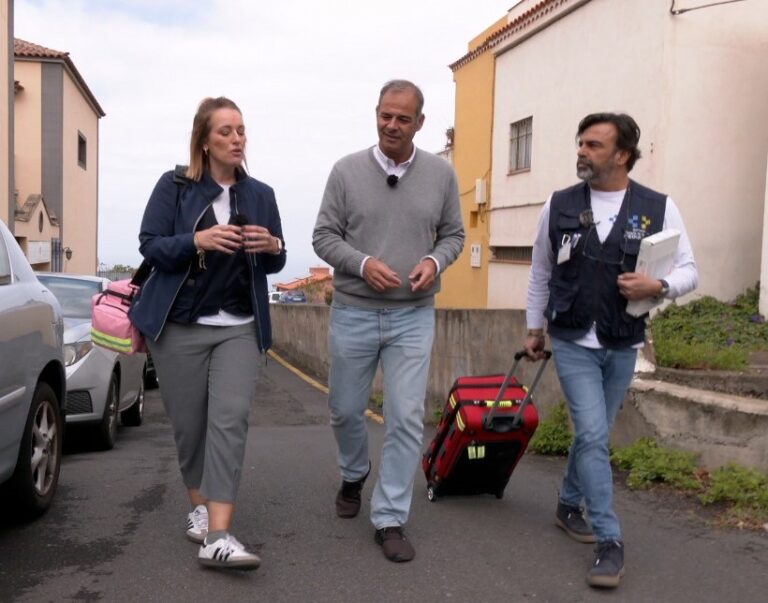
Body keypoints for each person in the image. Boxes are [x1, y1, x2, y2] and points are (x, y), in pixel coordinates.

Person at [524, 112, 698, 588]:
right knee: (596, 435)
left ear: (622, 155)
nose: (582, 151)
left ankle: (567, 501)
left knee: (592, 434)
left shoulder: (658, 206)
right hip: (573, 338)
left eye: (594, 145)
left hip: (623, 339)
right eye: (581, 143)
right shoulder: (558, 205)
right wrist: (534, 328)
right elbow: (540, 270)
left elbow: (689, 271)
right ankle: (609, 540)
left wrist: (656, 284)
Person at [130, 96, 286, 570]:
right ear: (204, 140)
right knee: (190, 426)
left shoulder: (261, 194)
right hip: (179, 326)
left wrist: (274, 245)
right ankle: (200, 507)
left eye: (241, 130)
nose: (237, 138)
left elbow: (276, 261)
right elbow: (151, 246)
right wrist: (198, 239)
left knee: (230, 420)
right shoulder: (175, 186)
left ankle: (218, 535)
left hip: (239, 325)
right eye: (226, 131)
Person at [312, 80, 464, 562]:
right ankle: (354, 471)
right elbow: (323, 236)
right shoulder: (345, 171)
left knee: (405, 415)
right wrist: (361, 263)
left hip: (413, 315)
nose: (391, 125)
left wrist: (434, 263)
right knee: (344, 409)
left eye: (402, 118)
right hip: (354, 310)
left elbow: (454, 235)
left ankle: (390, 517)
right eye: (385, 115)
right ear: (375, 115)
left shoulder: (441, 174)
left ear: (420, 123)